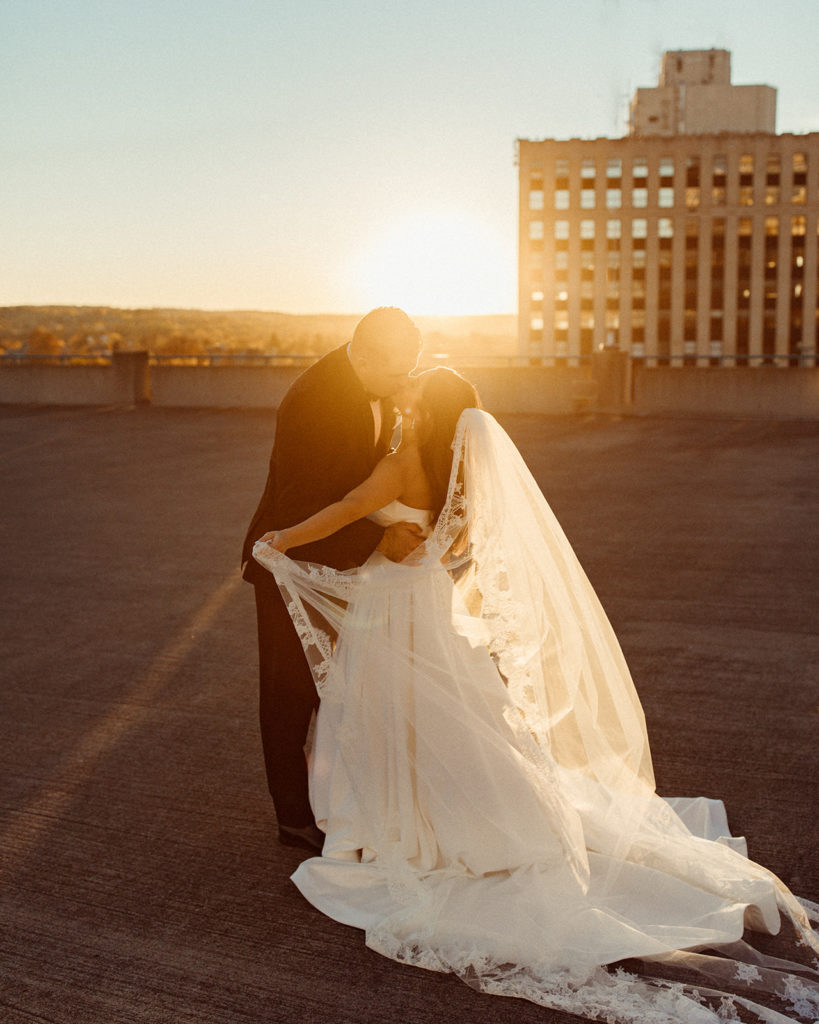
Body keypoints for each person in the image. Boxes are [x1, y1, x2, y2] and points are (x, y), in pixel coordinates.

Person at [253, 369, 819, 1024]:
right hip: (433, 603)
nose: (403, 395)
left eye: (414, 393)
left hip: (392, 603)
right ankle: (474, 817)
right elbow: (462, 545)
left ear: (427, 411)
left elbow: (348, 508)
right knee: (456, 717)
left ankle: (397, 829)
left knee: (382, 716)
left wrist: (283, 539)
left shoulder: (402, 460)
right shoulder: (466, 473)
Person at [241, 307, 423, 851]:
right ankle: (294, 818)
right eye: (396, 371)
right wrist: (378, 540)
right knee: (288, 692)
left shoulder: (379, 383)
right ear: (362, 356)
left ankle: (339, 802)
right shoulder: (314, 402)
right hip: (287, 562)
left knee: (340, 690)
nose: (404, 381)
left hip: (343, 565)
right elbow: (297, 509)